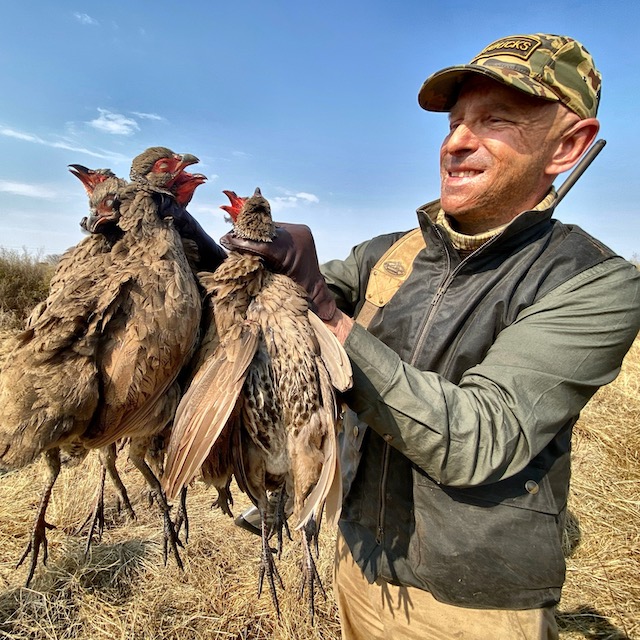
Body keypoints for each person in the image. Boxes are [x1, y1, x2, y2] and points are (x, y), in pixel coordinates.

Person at [216, 33, 640, 639]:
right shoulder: (388, 254)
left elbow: (483, 439)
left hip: (470, 600)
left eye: (496, 121)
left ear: (568, 144)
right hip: (358, 558)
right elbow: (262, 316)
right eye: (454, 122)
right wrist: (208, 256)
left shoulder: (594, 282)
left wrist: (332, 322)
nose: (457, 142)